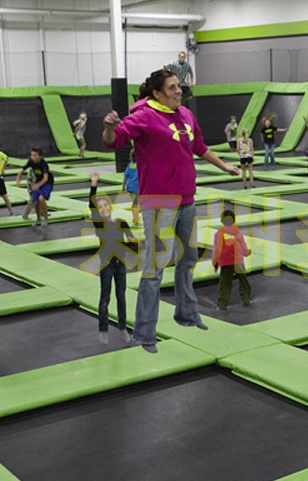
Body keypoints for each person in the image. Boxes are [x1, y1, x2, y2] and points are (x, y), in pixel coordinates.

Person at [103, 67, 240, 353]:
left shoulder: (186, 115)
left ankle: (187, 314)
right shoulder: (143, 116)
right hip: (158, 201)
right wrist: (108, 127)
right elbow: (114, 140)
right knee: (154, 268)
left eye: (179, 86)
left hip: (187, 198)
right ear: (157, 93)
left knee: (187, 259)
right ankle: (144, 332)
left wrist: (223, 165)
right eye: (172, 88)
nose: (179, 91)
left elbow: (199, 146)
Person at [88, 173, 137, 343]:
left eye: (105, 206)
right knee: (105, 298)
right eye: (100, 207)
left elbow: (130, 239)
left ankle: (123, 327)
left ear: (110, 207)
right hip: (106, 265)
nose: (102, 209)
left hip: (120, 264)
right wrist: (93, 185)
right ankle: (103, 330)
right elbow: (91, 205)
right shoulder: (99, 224)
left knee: (121, 297)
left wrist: (135, 242)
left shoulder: (121, 222)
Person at [212, 209, 251, 310]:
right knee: (243, 280)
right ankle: (246, 299)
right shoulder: (237, 232)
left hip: (226, 261)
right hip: (238, 261)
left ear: (222, 221)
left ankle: (222, 305)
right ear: (234, 221)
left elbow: (216, 250)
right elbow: (243, 245)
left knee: (225, 283)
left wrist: (215, 262)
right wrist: (246, 252)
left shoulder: (218, 233)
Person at [15, 147, 54, 228]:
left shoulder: (44, 164)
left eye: (35, 155)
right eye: (32, 155)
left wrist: (38, 185)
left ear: (40, 156)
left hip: (47, 183)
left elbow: (45, 178)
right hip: (37, 182)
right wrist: (18, 178)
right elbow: (21, 171)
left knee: (41, 199)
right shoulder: (31, 161)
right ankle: (38, 218)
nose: (33, 157)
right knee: (35, 201)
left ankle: (45, 218)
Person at [122, 149, 140, 225]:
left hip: (130, 186)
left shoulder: (130, 165)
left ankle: (135, 219)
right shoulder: (141, 165)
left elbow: (125, 177)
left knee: (135, 203)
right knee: (135, 203)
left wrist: (123, 187)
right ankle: (136, 220)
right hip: (136, 187)